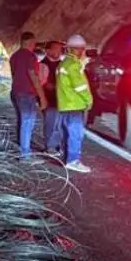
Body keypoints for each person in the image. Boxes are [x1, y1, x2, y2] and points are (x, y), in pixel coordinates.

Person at [55, 34, 93, 172]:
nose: (82, 52)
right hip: (75, 104)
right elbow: (80, 86)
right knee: (76, 134)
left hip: (65, 104)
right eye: (81, 49)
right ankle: (73, 160)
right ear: (76, 50)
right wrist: (89, 100)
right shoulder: (73, 65)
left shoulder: (64, 63)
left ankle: (66, 157)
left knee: (66, 133)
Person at [9, 32, 46, 158]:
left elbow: (14, 74)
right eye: (33, 42)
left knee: (21, 120)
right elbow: (33, 76)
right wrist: (42, 96)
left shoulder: (14, 56)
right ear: (29, 42)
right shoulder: (30, 56)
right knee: (28, 121)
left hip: (15, 92)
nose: (34, 45)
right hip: (26, 93)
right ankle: (25, 153)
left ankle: (22, 147)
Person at [38, 41, 65, 155]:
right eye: (55, 49)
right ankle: (50, 147)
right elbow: (40, 82)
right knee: (51, 123)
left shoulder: (62, 64)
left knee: (60, 124)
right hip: (49, 99)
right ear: (47, 50)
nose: (58, 52)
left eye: (60, 49)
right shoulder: (43, 64)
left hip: (62, 99)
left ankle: (57, 145)